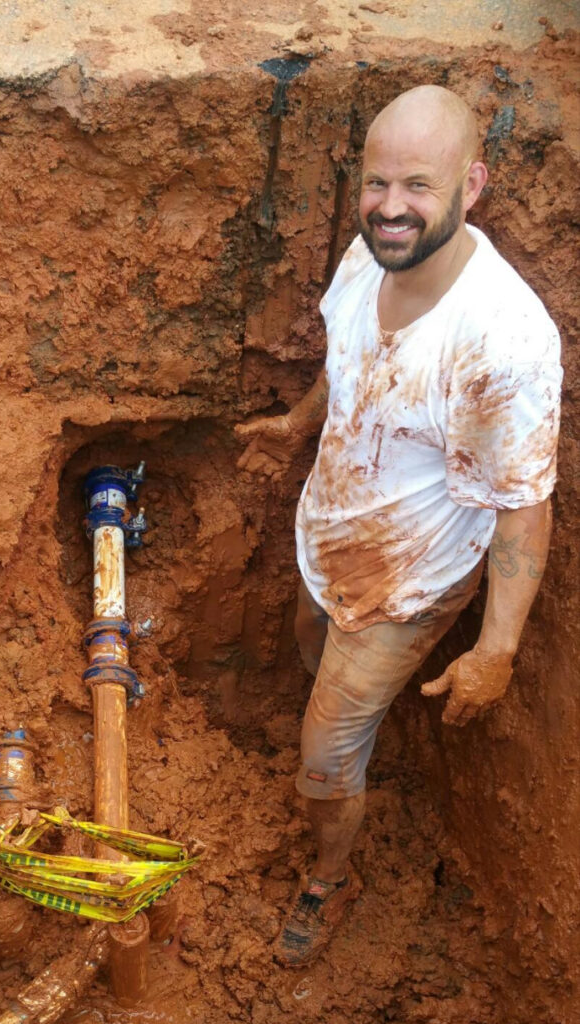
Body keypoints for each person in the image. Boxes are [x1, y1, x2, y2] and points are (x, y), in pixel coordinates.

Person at [235, 85, 562, 968]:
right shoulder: (366, 258)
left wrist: (494, 651)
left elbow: (521, 502)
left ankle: (331, 877)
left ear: (472, 183)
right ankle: (355, 731)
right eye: (377, 182)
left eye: (417, 185)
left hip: (409, 583)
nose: (389, 207)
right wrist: (298, 424)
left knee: (324, 761)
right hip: (329, 533)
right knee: (309, 645)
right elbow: (349, 362)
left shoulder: (498, 339)